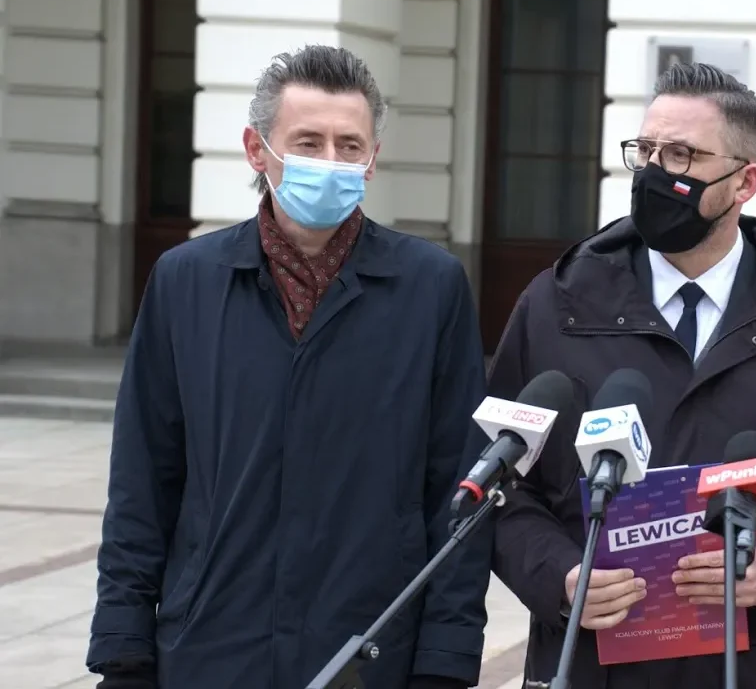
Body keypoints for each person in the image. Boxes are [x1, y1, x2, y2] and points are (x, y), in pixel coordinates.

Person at [487, 62, 756, 687]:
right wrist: (557, 575)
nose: (657, 172)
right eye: (647, 151)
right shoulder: (557, 305)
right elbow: (499, 484)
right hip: (588, 661)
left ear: (745, 182)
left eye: (683, 155)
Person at [87, 45, 492, 689]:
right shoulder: (186, 282)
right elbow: (143, 479)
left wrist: (446, 663)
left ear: (372, 160)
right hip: (210, 647)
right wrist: (123, 649)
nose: (330, 162)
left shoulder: (430, 288)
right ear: (257, 150)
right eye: (308, 142)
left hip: (369, 653)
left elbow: (457, 491)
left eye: (349, 146)